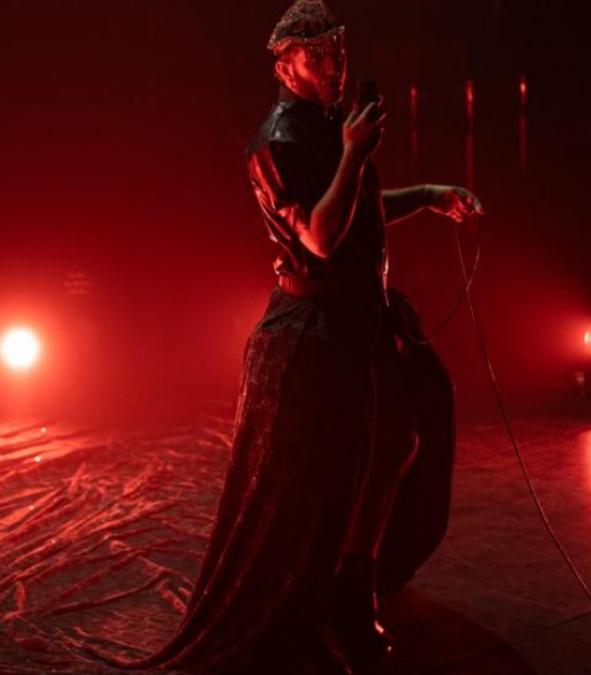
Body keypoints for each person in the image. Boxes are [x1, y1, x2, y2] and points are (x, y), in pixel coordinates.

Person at [91, 0, 483, 672]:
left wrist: (424, 192)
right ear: (284, 64)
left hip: (360, 319)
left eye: (339, 52)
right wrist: (355, 154)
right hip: (314, 333)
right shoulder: (278, 141)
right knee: (328, 477)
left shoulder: (331, 124)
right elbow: (323, 237)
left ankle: (353, 582)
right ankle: (328, 601)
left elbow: (359, 209)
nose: (335, 66)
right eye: (318, 55)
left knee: (396, 441)